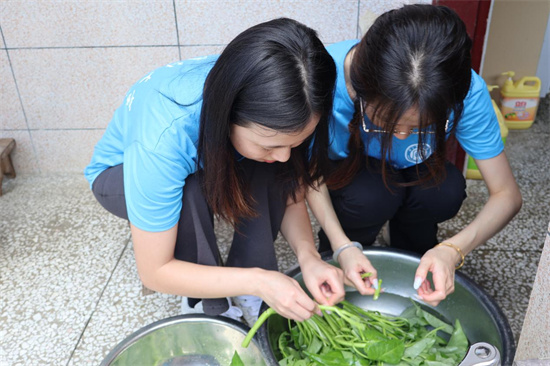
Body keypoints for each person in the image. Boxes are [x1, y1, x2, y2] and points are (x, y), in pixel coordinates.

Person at [84, 18, 347, 326]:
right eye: (270, 144)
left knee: (271, 164)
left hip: (207, 152)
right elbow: (154, 271)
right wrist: (260, 281)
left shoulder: (292, 104)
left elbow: (290, 194)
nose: (286, 154)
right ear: (228, 117)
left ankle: (248, 271)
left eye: (295, 143)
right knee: (191, 191)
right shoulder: (164, 139)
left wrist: (309, 258)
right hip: (119, 175)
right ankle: (205, 303)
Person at [307, 4, 522, 307]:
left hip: (416, 168)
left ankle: (413, 254)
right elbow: (308, 175)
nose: (402, 137)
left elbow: (507, 195)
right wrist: (342, 247)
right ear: (362, 88)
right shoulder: (322, 79)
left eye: (421, 126)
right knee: (370, 196)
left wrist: (452, 249)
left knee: (444, 190)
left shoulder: (464, 90)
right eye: (384, 122)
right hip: (353, 177)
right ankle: (349, 247)